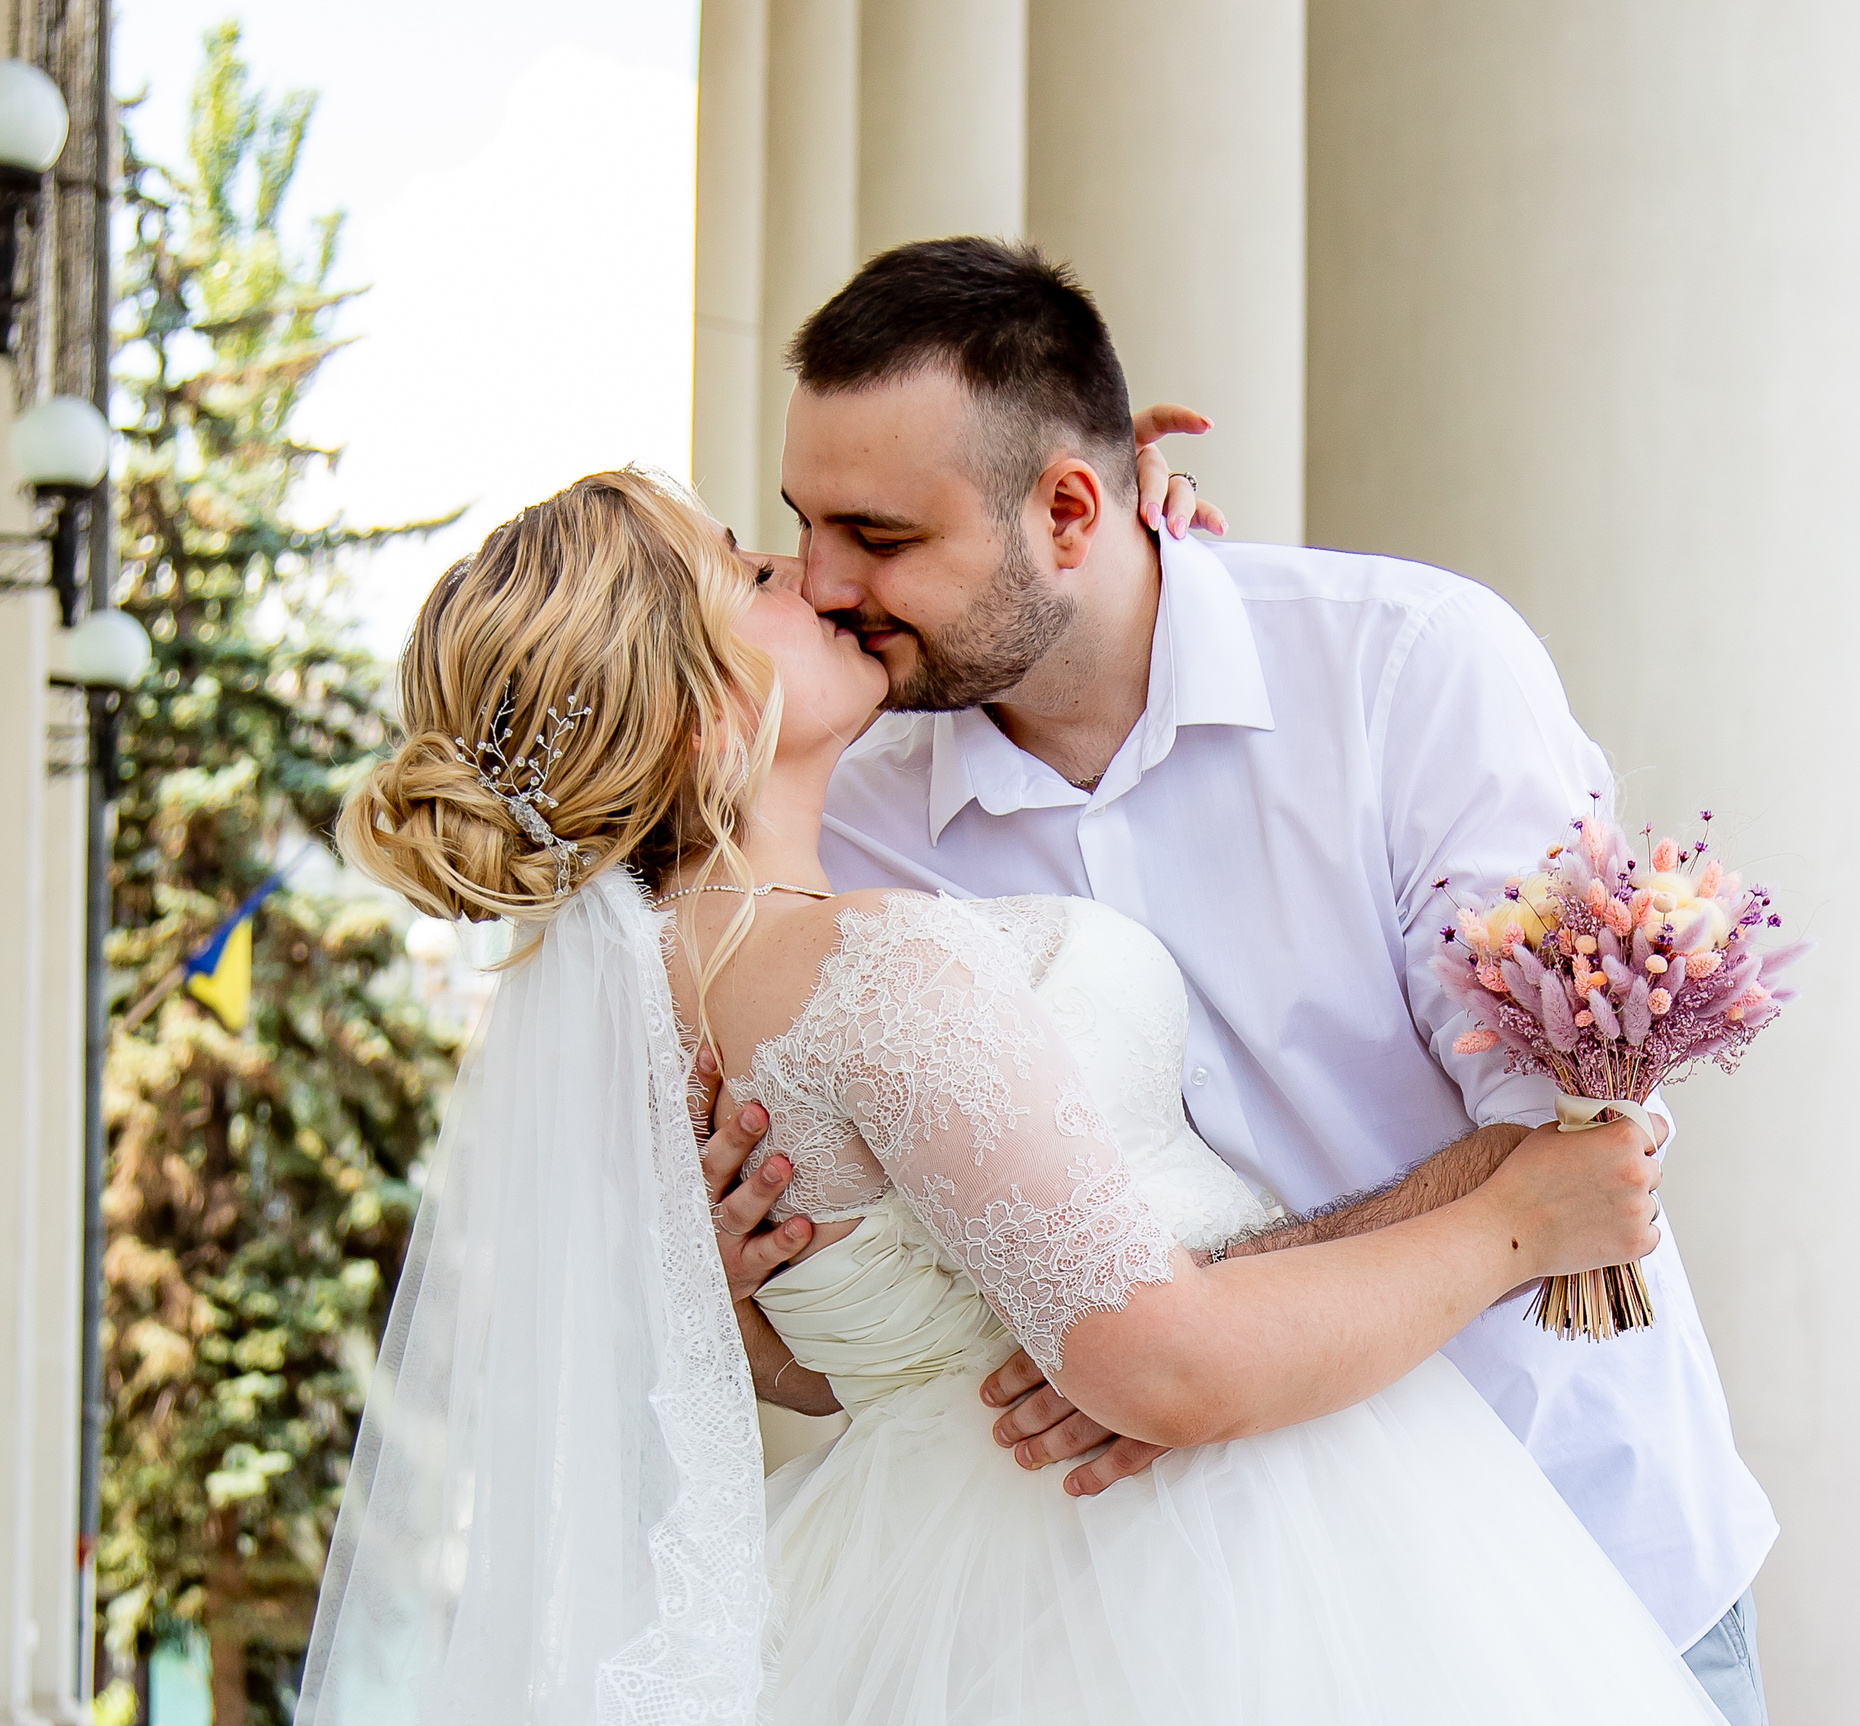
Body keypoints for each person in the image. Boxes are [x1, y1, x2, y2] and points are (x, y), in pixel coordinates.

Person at [304, 460, 1723, 1723]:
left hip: (949, 1571)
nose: (808, 574)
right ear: (704, 714)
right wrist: (1520, 1223)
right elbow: (1163, 1365)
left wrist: (1097, 550)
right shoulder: (872, 967)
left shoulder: (664, 1014)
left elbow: (866, 1345)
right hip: (1186, 1561)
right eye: (751, 572)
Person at [700, 236, 1778, 1724]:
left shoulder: (1410, 672)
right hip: (1163, 1636)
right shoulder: (841, 822)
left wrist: (1172, 1340)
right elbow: (887, 1346)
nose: (825, 582)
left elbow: (1566, 1150)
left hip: (1577, 1541)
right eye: (801, 526)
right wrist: (771, 1287)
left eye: (878, 535)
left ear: (1071, 508)